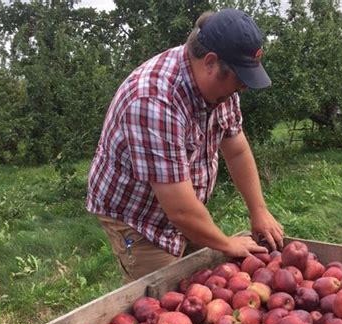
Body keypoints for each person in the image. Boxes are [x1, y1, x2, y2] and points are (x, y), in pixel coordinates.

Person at [86, 8, 284, 283]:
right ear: (211, 62)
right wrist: (227, 243)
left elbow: (236, 148)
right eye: (239, 80)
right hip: (139, 217)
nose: (242, 89)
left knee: (203, 286)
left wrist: (258, 209)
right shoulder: (153, 100)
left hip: (184, 204)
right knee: (162, 304)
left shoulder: (222, 89)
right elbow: (179, 209)